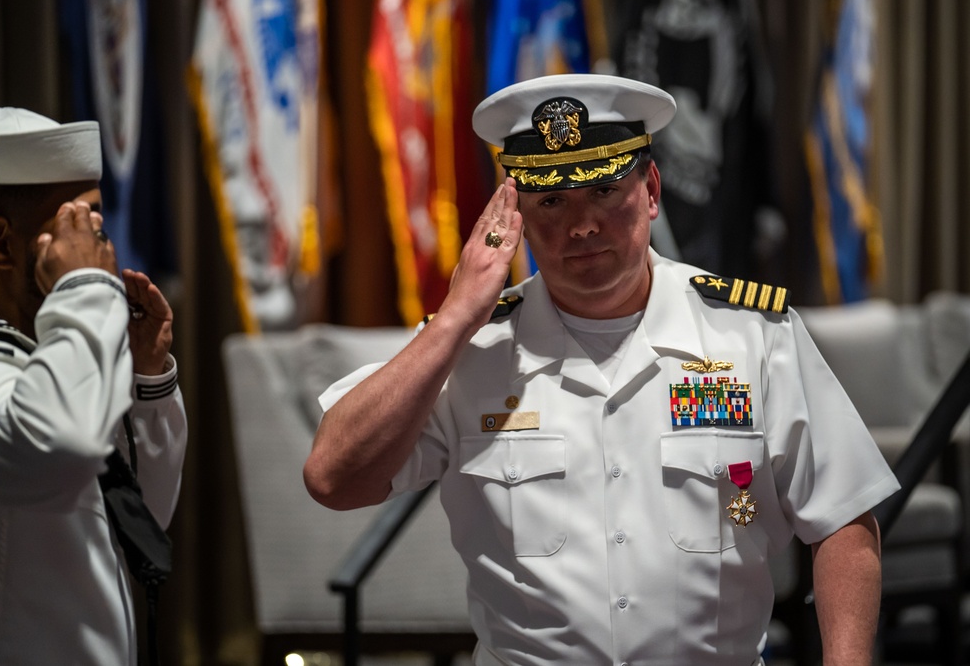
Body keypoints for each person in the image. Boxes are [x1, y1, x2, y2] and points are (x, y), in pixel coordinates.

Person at [304, 74, 899, 665]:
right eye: (552, 201)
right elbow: (334, 478)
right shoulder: (469, 349)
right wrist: (456, 316)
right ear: (515, 217)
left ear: (652, 189)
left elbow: (843, 516)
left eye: (604, 191)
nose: (581, 225)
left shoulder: (750, 333)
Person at [0, 107, 187, 666]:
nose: (101, 252)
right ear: (0, 244)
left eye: (97, 229)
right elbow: (58, 448)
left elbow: (138, 517)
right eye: (79, 226)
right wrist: (84, 288)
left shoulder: (52, 351)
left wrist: (144, 375)